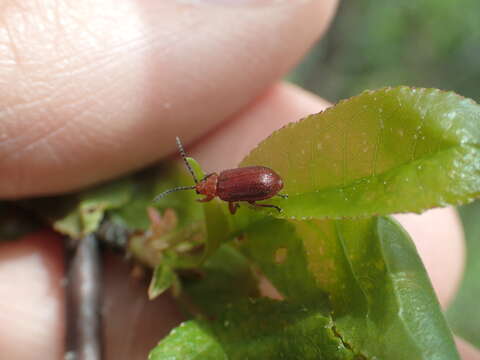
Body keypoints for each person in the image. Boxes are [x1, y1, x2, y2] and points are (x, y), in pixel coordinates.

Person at [0, 1, 475, 358]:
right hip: (267, 181)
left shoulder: (223, 184)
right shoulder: (223, 182)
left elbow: (252, 184)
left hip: (267, 182)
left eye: (199, 184)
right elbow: (253, 184)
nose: (202, 186)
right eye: (200, 186)